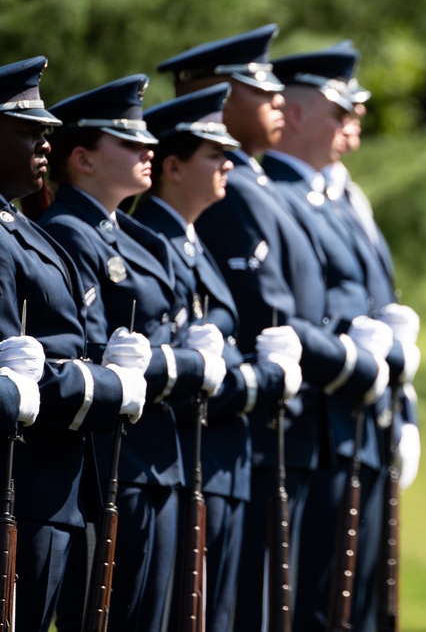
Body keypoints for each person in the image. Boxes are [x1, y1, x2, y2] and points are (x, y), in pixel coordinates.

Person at [156, 25, 392, 630]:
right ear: (219, 97)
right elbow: (271, 314)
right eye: (262, 93)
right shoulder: (237, 188)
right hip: (266, 427)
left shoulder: (257, 183)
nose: (279, 102)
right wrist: (356, 361)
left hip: (300, 425)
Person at [37, 74, 228, 632]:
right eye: (129, 142)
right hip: (117, 461)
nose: (148, 149)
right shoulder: (70, 231)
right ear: (84, 159)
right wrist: (186, 364)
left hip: (157, 455)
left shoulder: (133, 236)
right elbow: (99, 349)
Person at [262, 44, 421, 631]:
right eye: (340, 113)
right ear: (298, 114)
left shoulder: (342, 198)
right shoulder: (279, 199)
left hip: (368, 423)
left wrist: (405, 414)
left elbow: (378, 306)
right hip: (324, 427)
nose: (352, 130)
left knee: (365, 607)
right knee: (322, 604)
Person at [136, 83, 303, 632]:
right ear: (173, 167)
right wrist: (255, 379)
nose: (229, 165)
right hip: (182, 457)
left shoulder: (191, 241)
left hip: (221, 457)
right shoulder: (150, 244)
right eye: (214, 154)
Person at [0, 56, 149, 632]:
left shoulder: (20, 227)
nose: (46, 143)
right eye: (29, 130)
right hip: (22, 488)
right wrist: (109, 384)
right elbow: (21, 370)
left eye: (48, 132)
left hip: (53, 493)